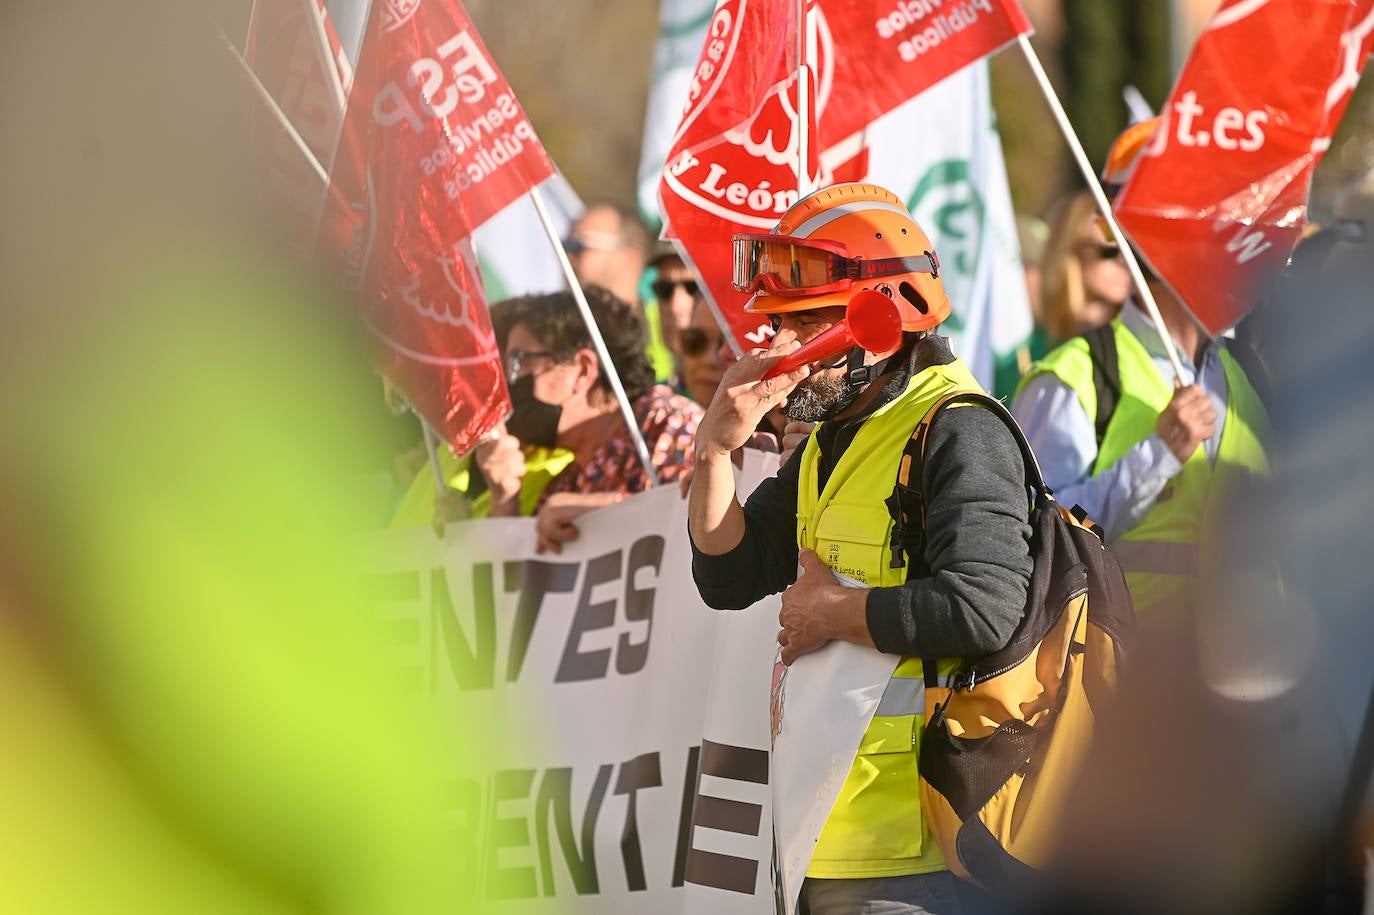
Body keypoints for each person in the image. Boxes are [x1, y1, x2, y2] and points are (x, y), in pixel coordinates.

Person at [688, 183, 1033, 914]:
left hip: (919, 857)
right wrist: (713, 456)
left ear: (877, 321)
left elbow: (986, 606)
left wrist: (834, 615)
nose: (780, 351)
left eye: (802, 325)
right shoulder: (829, 438)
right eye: (775, 327)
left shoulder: (958, 427)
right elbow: (729, 573)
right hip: (823, 840)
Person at [1011, 119, 1271, 629]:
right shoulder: (1074, 376)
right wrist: (1159, 455)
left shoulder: (1249, 375)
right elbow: (1034, 541)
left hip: (1247, 682)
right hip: (1126, 688)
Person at [495, 285, 703, 553]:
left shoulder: (670, 424)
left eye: (518, 362)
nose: (507, 383)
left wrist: (609, 511)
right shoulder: (565, 485)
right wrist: (505, 502)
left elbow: (707, 520)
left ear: (582, 370)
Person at [1036, 190, 1131, 345]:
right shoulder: (1028, 349)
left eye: (1129, 250)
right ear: (1072, 253)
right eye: (1109, 251)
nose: (1123, 261)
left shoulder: (1147, 341)